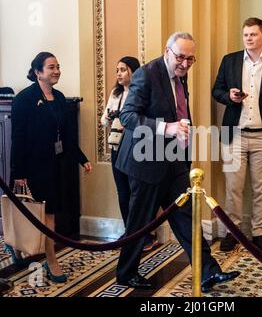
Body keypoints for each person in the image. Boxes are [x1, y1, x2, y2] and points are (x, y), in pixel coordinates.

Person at [115, 32, 240, 292]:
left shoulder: (181, 75)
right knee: (140, 223)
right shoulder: (146, 74)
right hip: (145, 162)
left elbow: (180, 112)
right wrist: (166, 128)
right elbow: (127, 116)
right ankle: (126, 274)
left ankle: (208, 272)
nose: (185, 64)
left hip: (174, 161)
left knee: (187, 217)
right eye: (180, 57)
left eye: (190, 59)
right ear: (167, 51)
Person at [10, 52, 93, 282]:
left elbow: (65, 135)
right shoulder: (24, 99)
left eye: (58, 66)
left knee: (48, 214)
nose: (56, 71)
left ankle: (50, 258)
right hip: (30, 167)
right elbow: (17, 138)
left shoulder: (58, 97)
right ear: (37, 72)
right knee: (26, 210)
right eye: (51, 67)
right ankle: (18, 247)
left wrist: (81, 158)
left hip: (53, 165)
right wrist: (19, 173)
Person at [212, 18, 262, 253]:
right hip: (234, 135)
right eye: (245, 34)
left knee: (260, 188)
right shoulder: (230, 60)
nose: (248, 38)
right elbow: (216, 90)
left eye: (253, 34)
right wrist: (230, 96)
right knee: (233, 188)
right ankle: (232, 232)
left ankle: (259, 233)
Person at [100, 56, 157, 252]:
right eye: (117, 70)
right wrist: (108, 116)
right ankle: (129, 231)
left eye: (123, 69)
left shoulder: (141, 92)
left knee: (137, 194)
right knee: (122, 192)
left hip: (136, 148)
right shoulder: (115, 94)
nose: (119, 74)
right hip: (117, 147)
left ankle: (145, 233)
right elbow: (103, 121)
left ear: (134, 71)